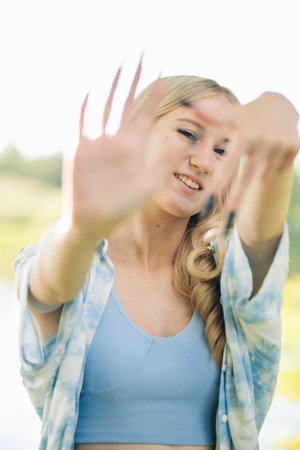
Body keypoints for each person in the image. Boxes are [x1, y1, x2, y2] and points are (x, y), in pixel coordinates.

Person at [14, 60, 299, 450]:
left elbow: (262, 242)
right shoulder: (75, 267)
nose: (203, 161)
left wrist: (279, 147)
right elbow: (50, 282)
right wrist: (81, 226)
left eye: (221, 150)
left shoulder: (223, 282)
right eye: (188, 133)